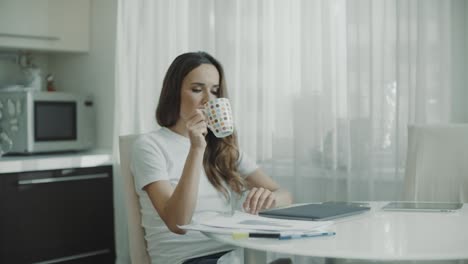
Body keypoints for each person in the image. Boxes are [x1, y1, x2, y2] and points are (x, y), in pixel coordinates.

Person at [131, 51, 293, 264]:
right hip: (188, 259)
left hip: (233, 253)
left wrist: (269, 198)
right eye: (197, 90)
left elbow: (286, 195)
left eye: (215, 91)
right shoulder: (150, 146)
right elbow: (178, 223)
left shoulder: (224, 148)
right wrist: (196, 149)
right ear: (174, 93)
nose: (208, 100)